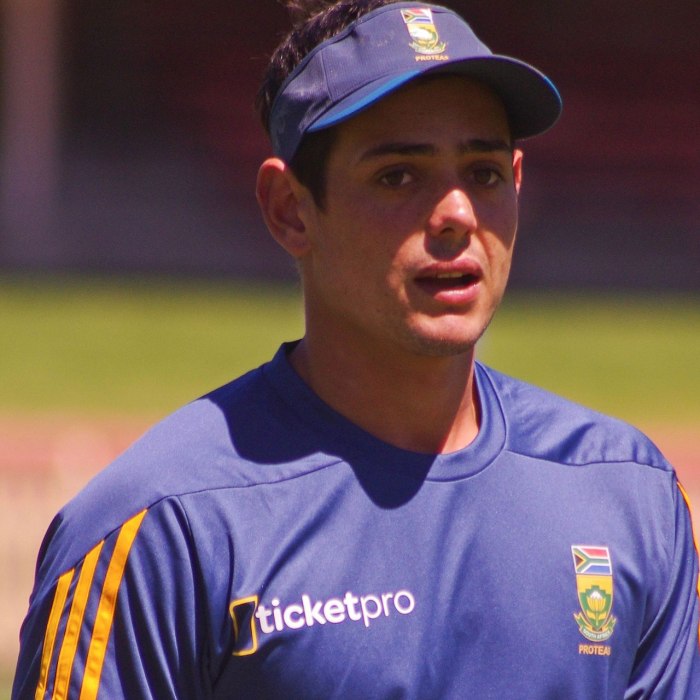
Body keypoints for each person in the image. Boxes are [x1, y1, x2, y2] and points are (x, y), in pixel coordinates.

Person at [13, 1, 700, 698]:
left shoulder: (630, 497)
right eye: (398, 175)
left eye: (484, 173)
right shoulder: (162, 529)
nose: (457, 214)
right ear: (289, 209)